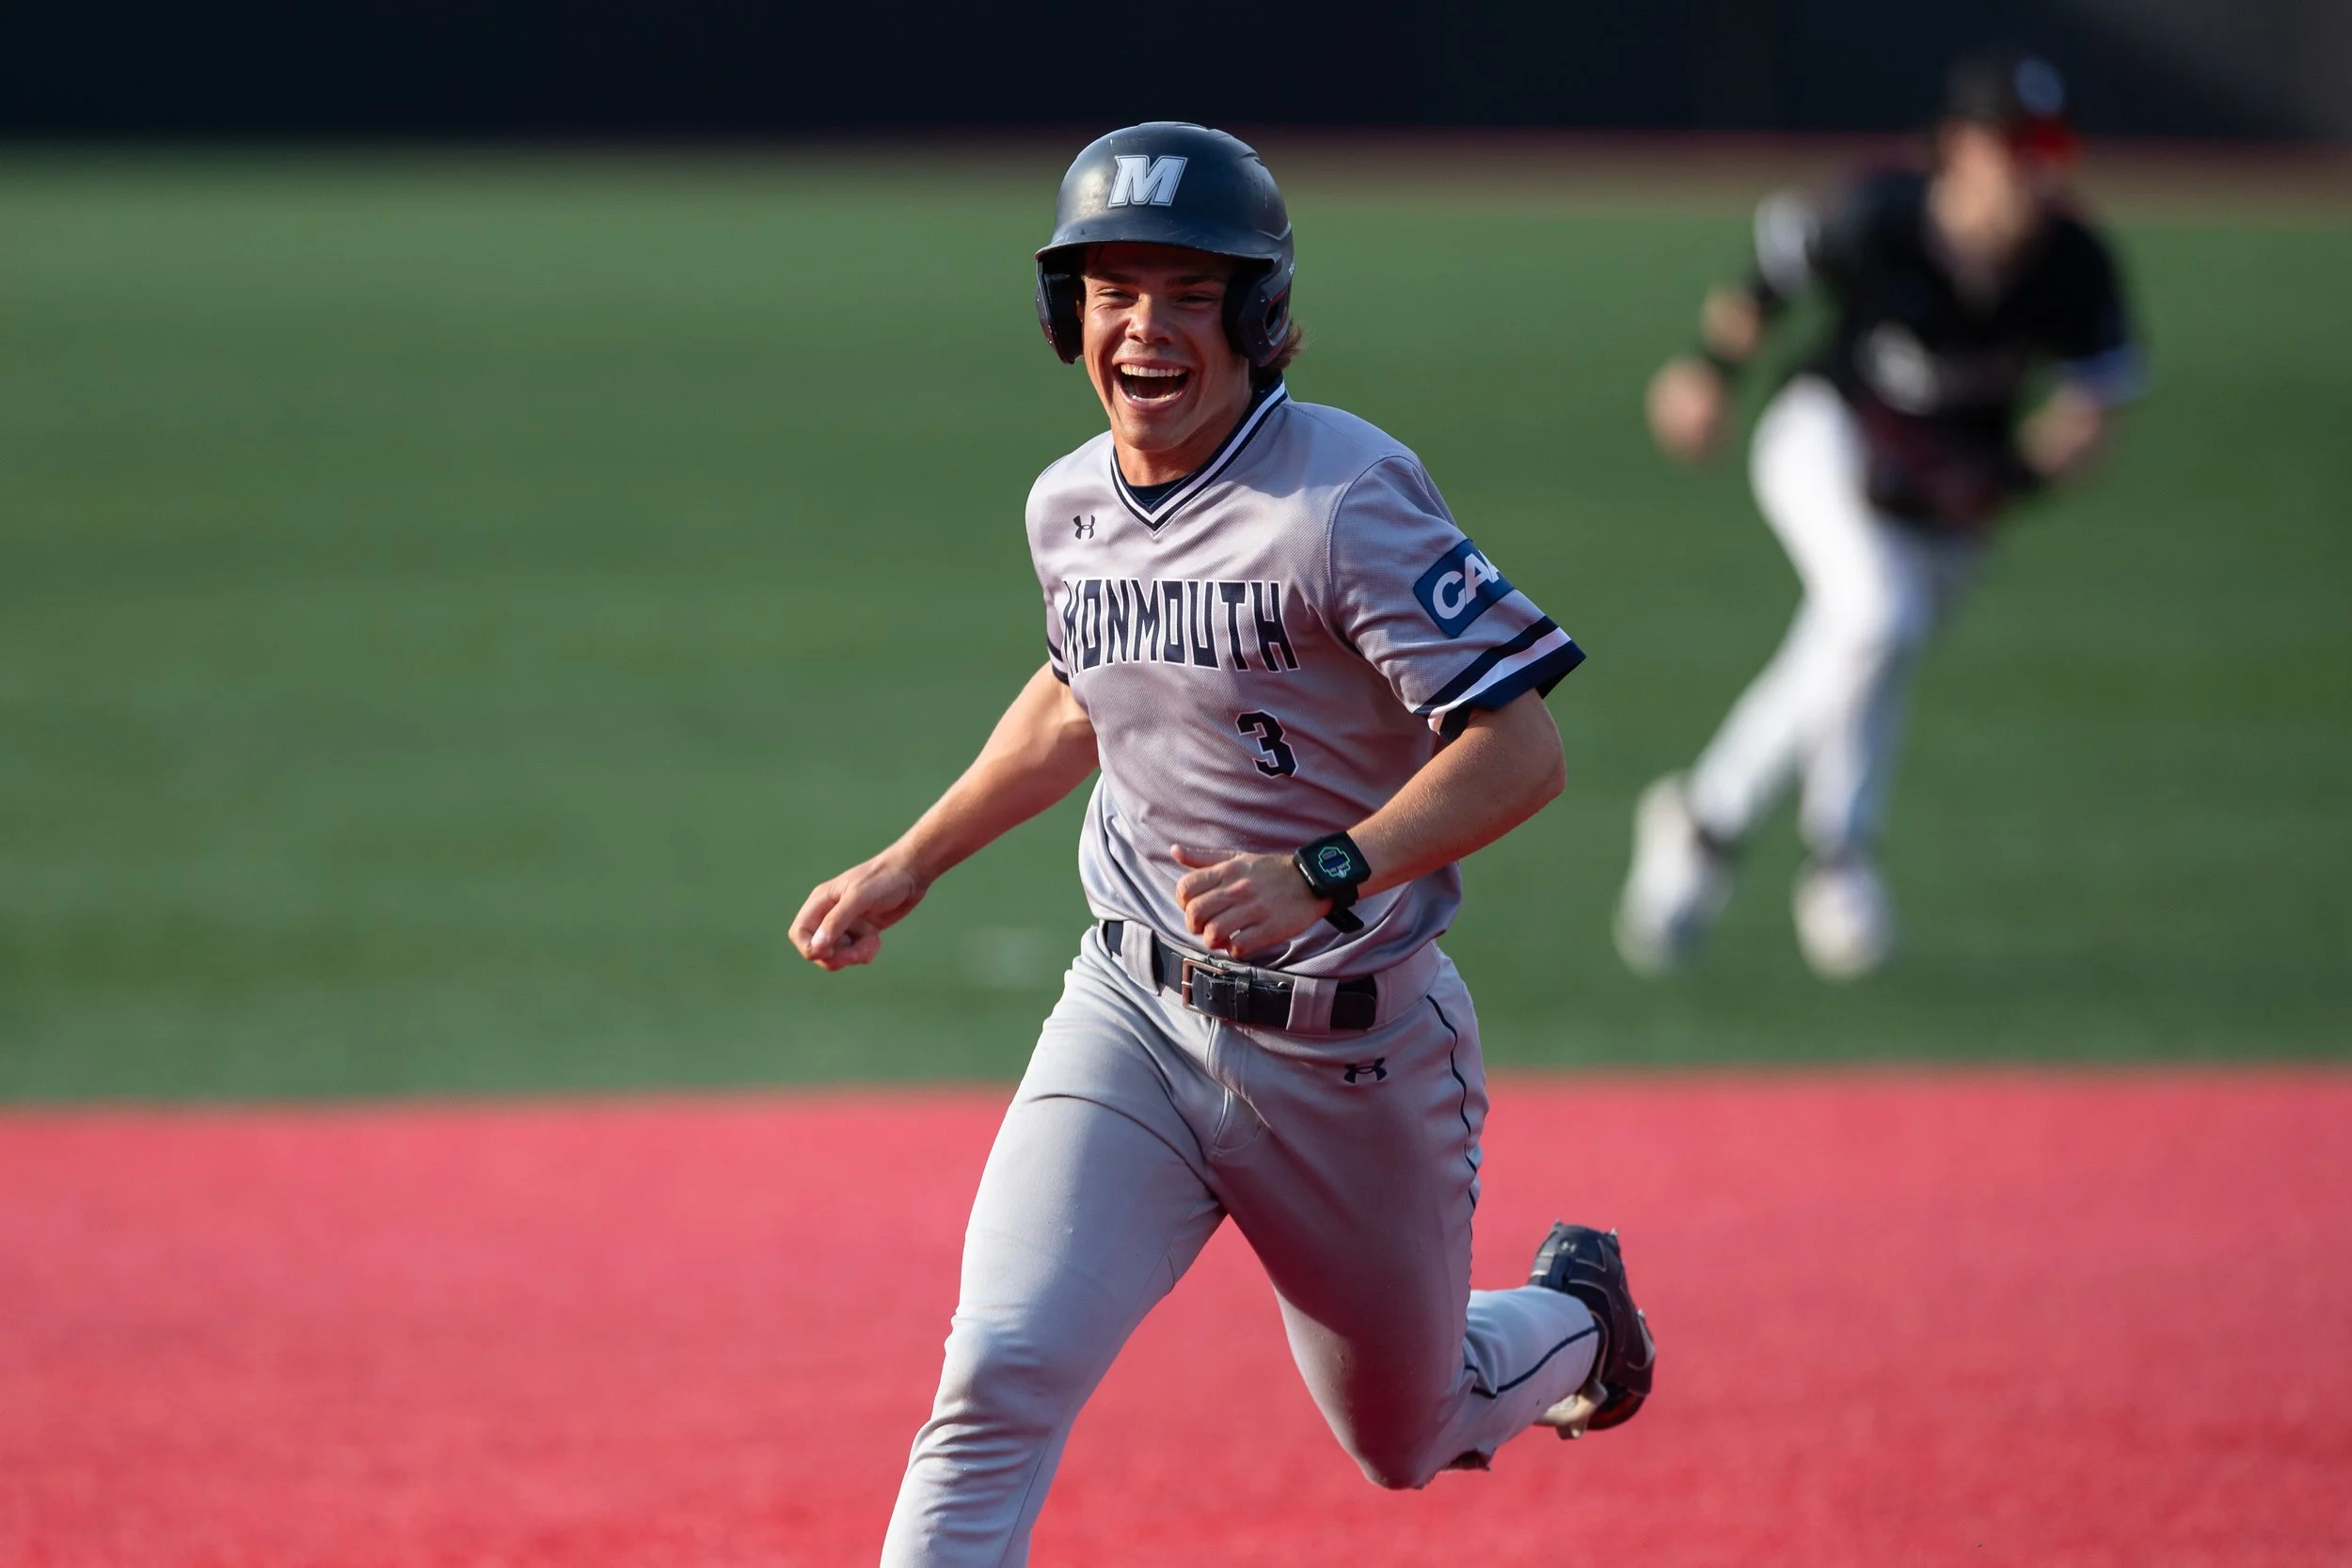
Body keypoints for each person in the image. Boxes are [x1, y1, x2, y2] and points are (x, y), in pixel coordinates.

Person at [790, 123, 1655, 1567]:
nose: (1145, 327)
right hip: (1130, 1010)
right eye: (1112, 290)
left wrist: (1326, 867)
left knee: (1408, 1430)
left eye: (1188, 293)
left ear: (1259, 317)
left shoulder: (1344, 499)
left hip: (1351, 1053)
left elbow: (1523, 748)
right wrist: (913, 857)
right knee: (997, 1367)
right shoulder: (1067, 504)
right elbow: (1084, 693)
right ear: (1068, 316)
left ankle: (1579, 1319)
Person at [1619, 50, 2144, 980]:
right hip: (1824, 436)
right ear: (1957, 148)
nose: (2034, 168)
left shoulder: (2074, 259)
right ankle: (1839, 857)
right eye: (2011, 147)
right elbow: (1768, 277)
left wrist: (2010, 478)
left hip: (1947, 494)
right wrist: (1706, 369)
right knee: (1874, 613)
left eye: (2047, 148)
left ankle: (1705, 816)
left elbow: (2092, 412)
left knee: (1863, 641)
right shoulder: (1881, 211)